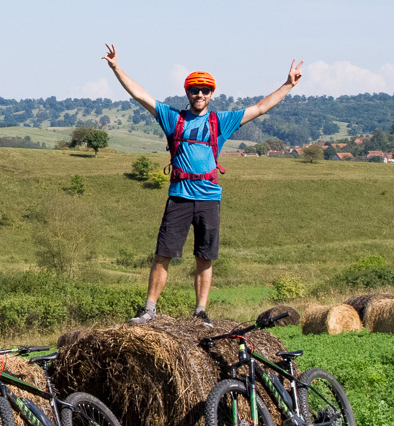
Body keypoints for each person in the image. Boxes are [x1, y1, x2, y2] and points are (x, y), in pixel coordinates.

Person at [102, 45, 303, 324]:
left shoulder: (221, 121)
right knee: (163, 254)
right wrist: (115, 67)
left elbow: (260, 107)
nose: (200, 94)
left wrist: (288, 85)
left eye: (205, 90)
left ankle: (200, 312)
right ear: (187, 93)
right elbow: (139, 95)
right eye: (195, 90)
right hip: (179, 197)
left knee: (204, 257)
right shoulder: (173, 117)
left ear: (212, 95)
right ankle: (149, 309)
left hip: (209, 198)